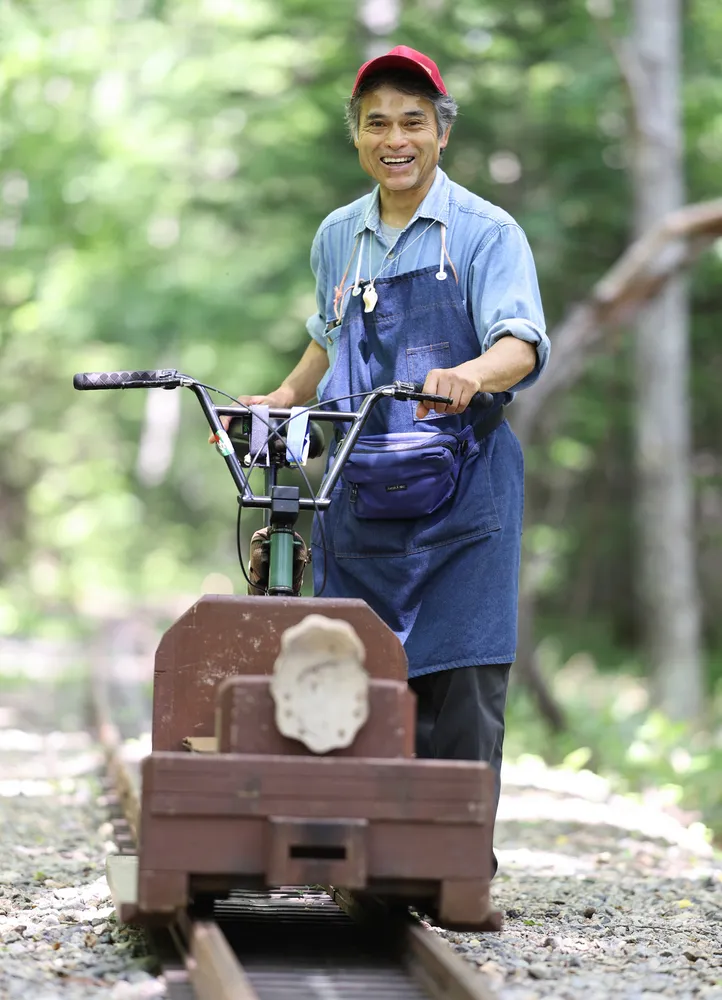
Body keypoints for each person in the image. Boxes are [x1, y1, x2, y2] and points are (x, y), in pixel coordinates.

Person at [231, 46, 550, 875]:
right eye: (377, 122)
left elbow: (520, 341)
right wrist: (280, 400)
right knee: (356, 674)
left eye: (413, 121)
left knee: (465, 679)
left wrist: (469, 374)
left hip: (464, 494)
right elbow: (325, 336)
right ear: (358, 135)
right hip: (359, 492)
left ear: (440, 133)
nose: (395, 138)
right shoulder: (340, 235)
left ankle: (453, 869)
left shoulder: (485, 232)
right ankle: (364, 865)